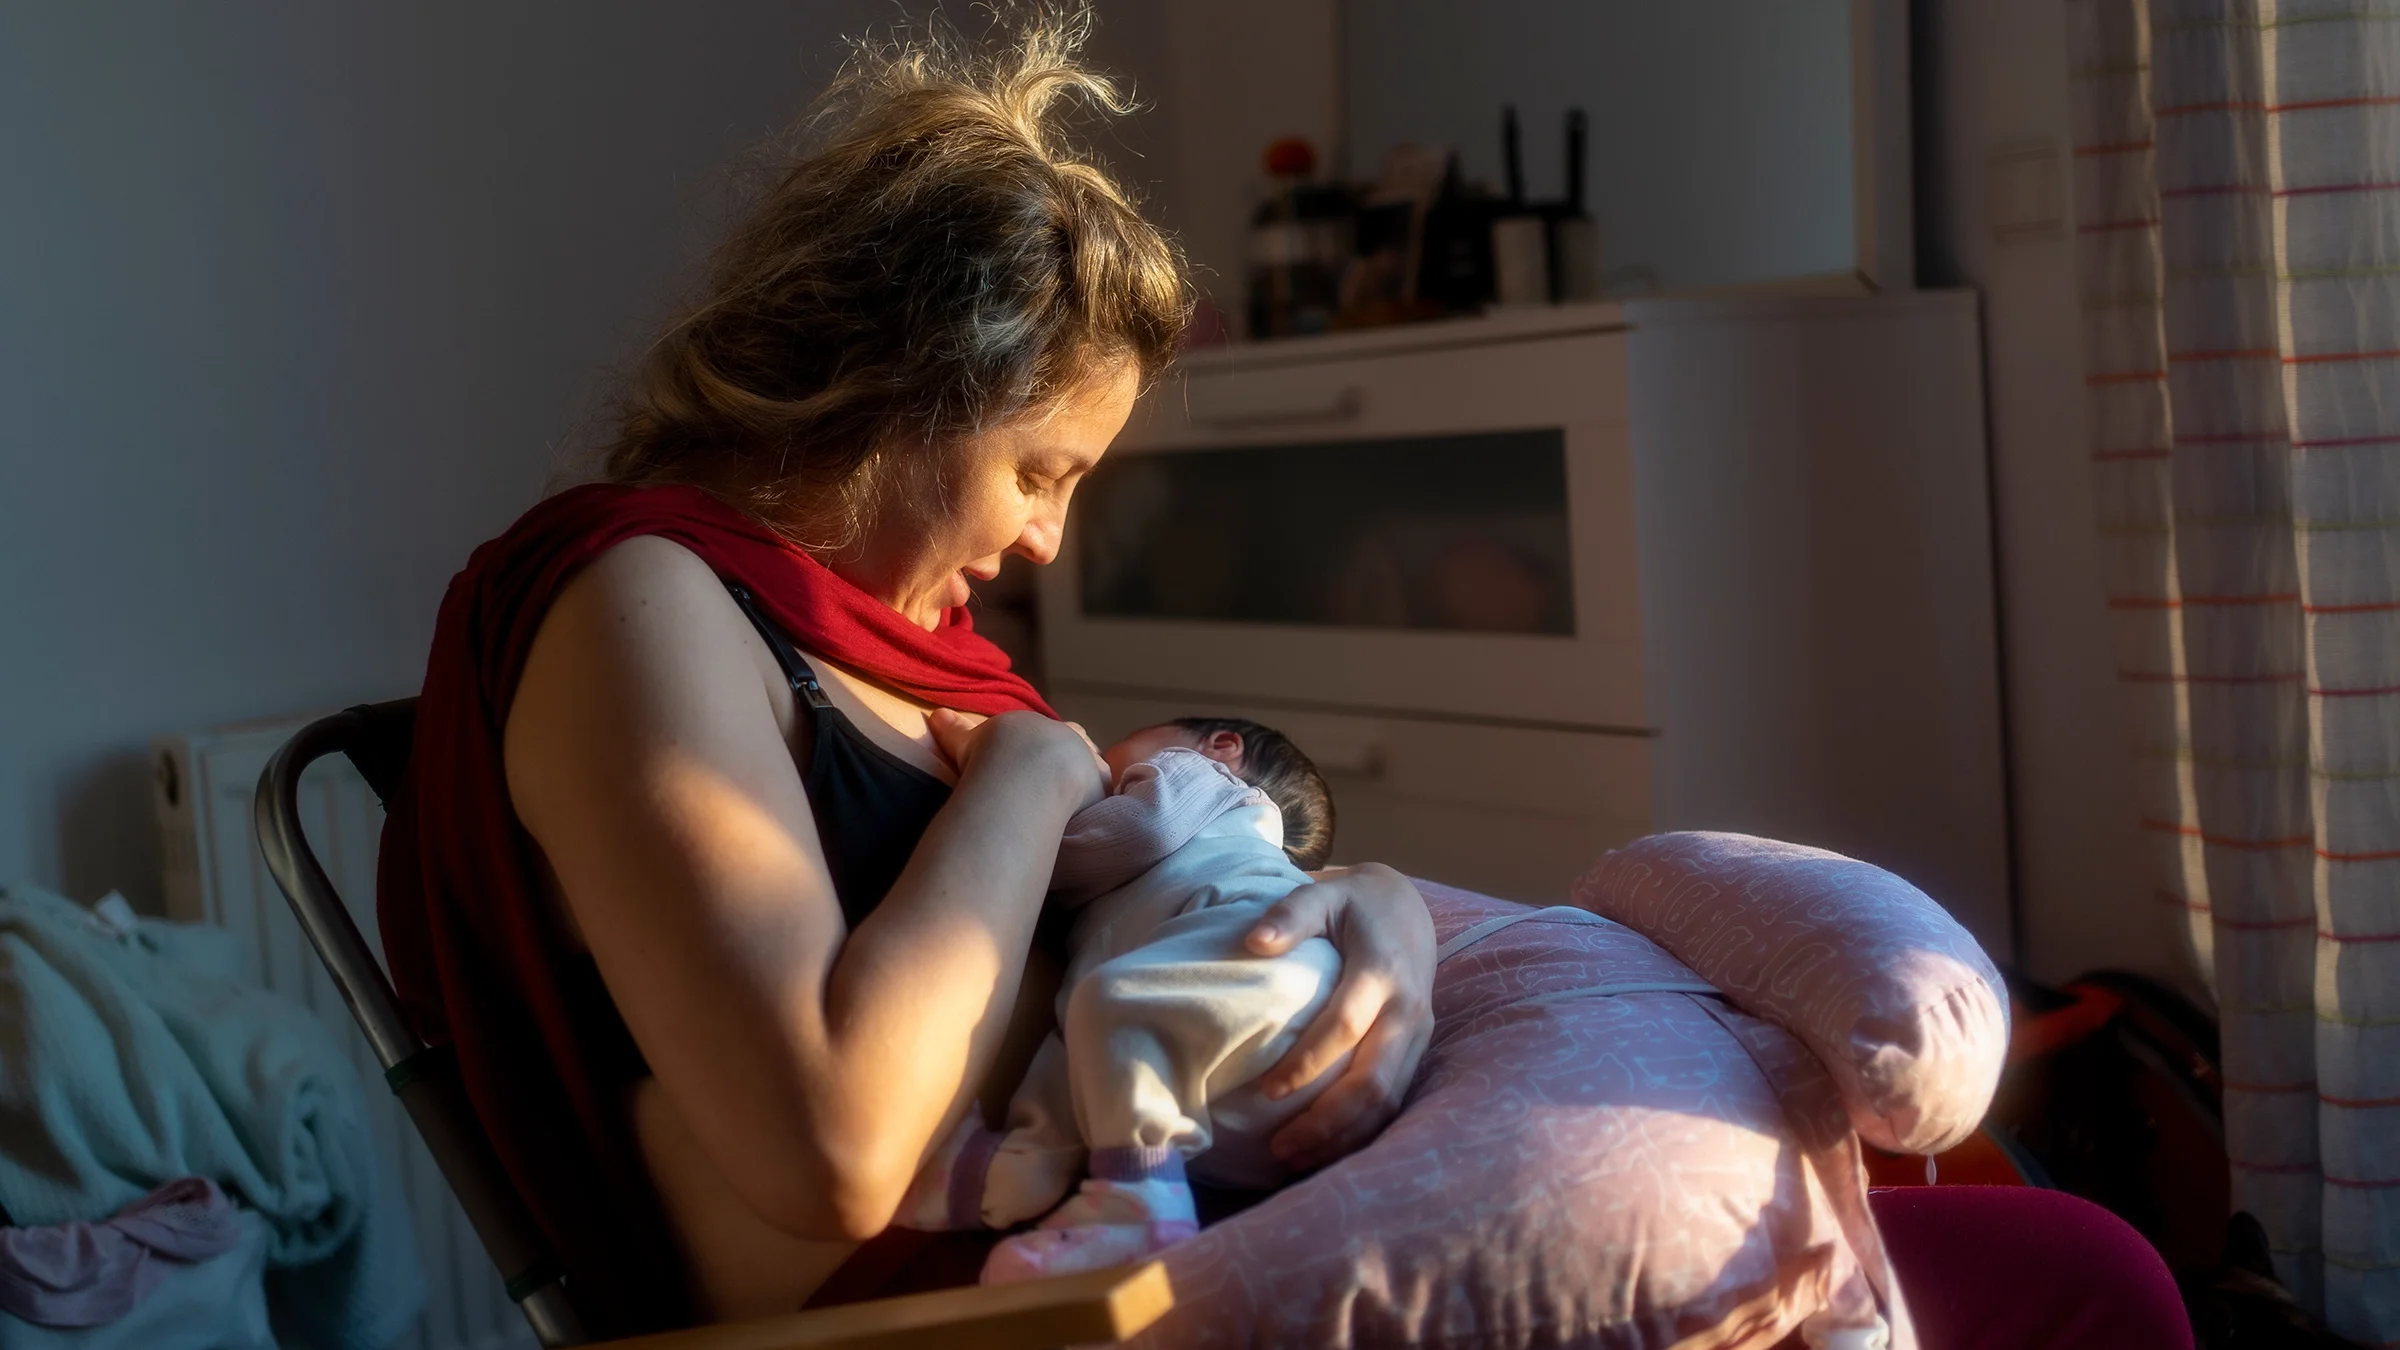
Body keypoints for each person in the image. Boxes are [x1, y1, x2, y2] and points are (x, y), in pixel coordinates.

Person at [375, 12, 2193, 1348]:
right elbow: (837, 1146)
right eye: (1042, 469)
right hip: (988, 1309)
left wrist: (1380, 913)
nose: (1041, 551)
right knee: (2059, 1294)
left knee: (2070, 1266)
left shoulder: (899, 649)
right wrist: (1022, 781)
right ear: (907, 382)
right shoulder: (641, 601)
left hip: (1192, 1208)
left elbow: (1165, 901)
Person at [895, 718, 1342, 1282]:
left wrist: (1013, 831)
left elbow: (1142, 830)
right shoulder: (1141, 920)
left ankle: (1136, 1210)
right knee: (1093, 1035)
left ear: (1222, 746)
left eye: (1121, 751)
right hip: (1256, 1117)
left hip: (1270, 971)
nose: (1107, 768)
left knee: (1112, 1007)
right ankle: (1005, 1175)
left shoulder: (1211, 782)